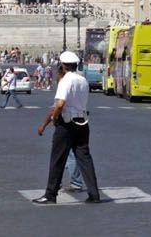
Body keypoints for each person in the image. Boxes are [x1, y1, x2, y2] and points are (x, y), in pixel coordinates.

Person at [33, 51, 102, 204]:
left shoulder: (65, 81)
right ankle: (94, 194)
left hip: (66, 124)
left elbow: (60, 104)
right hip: (82, 123)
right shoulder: (83, 80)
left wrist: (54, 118)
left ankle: (50, 195)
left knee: (57, 159)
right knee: (85, 159)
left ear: (63, 65)